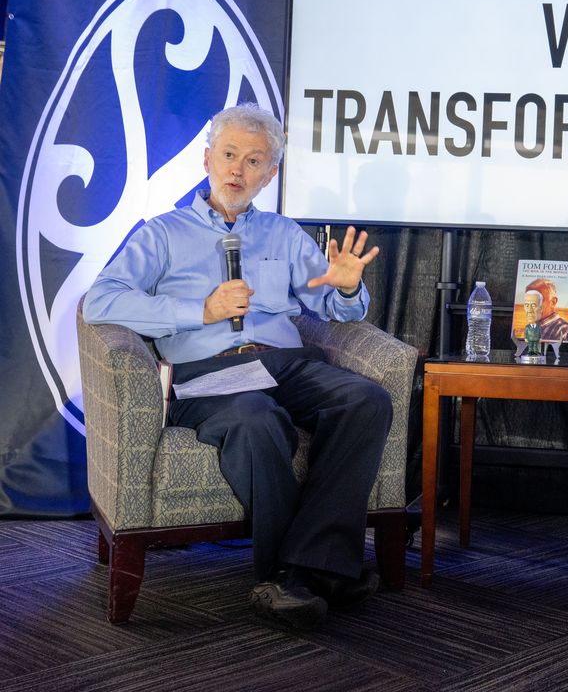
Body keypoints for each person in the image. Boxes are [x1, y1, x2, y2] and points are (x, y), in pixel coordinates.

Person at [83, 103, 390, 631]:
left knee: (366, 399)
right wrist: (196, 310)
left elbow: (336, 309)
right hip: (206, 374)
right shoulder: (161, 234)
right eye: (228, 156)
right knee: (255, 418)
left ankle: (297, 573)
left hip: (282, 363)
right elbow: (100, 302)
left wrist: (347, 287)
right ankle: (314, 570)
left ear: (269, 174)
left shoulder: (284, 235)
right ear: (206, 159)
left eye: (253, 162)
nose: (237, 171)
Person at [525, 278, 568, 342]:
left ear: (553, 302)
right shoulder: (532, 327)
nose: (529, 310)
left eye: (535, 303)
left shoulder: (564, 330)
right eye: (527, 305)